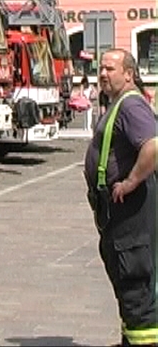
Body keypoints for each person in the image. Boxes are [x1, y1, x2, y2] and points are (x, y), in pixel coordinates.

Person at [84, 49, 158, 347]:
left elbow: (153, 147)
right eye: (101, 68)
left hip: (131, 213)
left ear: (128, 74)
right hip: (119, 214)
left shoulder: (131, 105)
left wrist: (130, 181)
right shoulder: (119, 103)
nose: (103, 74)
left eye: (110, 69)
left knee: (135, 282)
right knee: (128, 283)